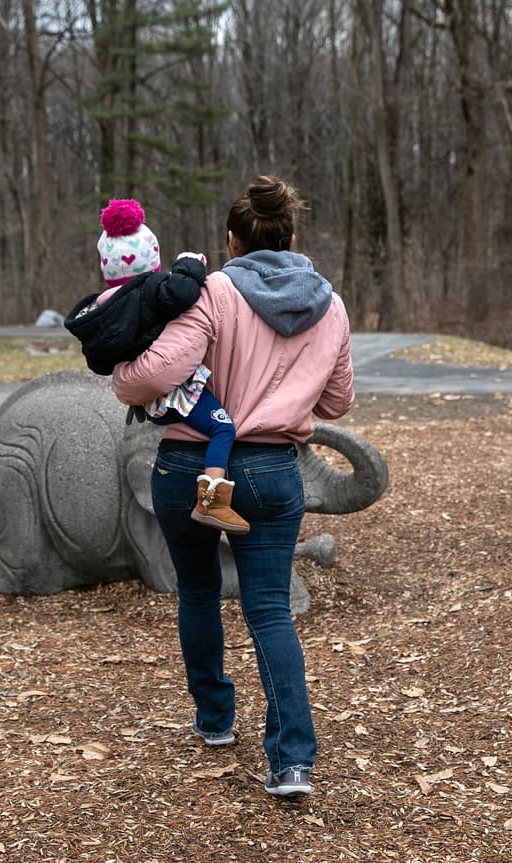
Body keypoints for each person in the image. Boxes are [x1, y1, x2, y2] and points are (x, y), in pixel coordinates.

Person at [110, 176, 354, 798]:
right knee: (270, 609)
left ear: (231, 240)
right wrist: (288, 388)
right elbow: (338, 400)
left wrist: (124, 374)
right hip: (275, 470)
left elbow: (153, 377)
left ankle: (216, 720)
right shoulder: (330, 304)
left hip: (192, 466)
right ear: (292, 236)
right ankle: (292, 760)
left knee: (197, 591)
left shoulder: (215, 292)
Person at [65, 199, 248, 534]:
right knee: (223, 427)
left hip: (148, 402)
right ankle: (213, 502)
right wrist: (189, 263)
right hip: (176, 392)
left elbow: (100, 363)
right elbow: (186, 290)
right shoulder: (151, 290)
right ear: (152, 260)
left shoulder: (102, 308)